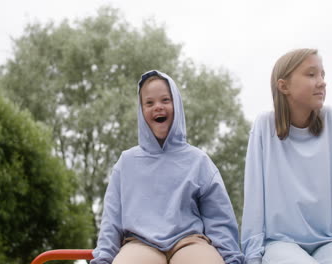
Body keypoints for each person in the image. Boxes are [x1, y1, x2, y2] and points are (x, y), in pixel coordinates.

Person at [90, 70, 243, 264]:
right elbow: (111, 220)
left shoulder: (198, 161)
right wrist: (104, 258)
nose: (158, 107)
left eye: (165, 100)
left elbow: (219, 218)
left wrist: (231, 258)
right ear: (141, 110)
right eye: (149, 103)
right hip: (140, 243)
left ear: (176, 105)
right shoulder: (126, 162)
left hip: (190, 242)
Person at [241, 49, 332, 264]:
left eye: (323, 75)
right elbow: (254, 196)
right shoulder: (264, 126)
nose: (322, 82)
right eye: (311, 75)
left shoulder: (331, 120)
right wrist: (253, 255)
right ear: (283, 86)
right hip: (279, 243)